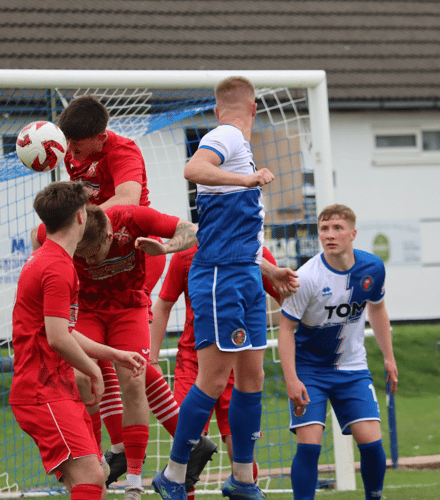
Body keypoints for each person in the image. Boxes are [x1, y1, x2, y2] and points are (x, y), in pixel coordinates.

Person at [151, 76, 299, 500]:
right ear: (253, 109)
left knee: (252, 378)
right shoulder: (228, 135)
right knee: (213, 380)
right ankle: (174, 475)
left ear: (220, 108)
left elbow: (230, 229)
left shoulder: (240, 150)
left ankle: (242, 479)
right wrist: (247, 182)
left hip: (245, 275)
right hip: (220, 278)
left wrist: (268, 272)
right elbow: (192, 168)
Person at [32, 201, 200, 499]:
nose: (91, 263)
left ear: (109, 236)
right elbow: (38, 235)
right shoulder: (72, 230)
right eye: (83, 257)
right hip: (88, 309)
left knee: (134, 378)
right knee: (83, 377)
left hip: (128, 305)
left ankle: (134, 480)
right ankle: (95, 463)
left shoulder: (132, 218)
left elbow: (192, 229)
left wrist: (166, 248)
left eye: (93, 255)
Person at [58, 94, 184, 486]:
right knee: (102, 366)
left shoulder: (123, 149)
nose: (71, 152)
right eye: (68, 145)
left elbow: (127, 199)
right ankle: (111, 453)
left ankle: (173, 447)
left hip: (135, 253)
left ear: (100, 137)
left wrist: (77, 222)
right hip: (95, 254)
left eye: (78, 145)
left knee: (129, 364)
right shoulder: (71, 155)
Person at [9, 181, 145, 500]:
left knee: (90, 478)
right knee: (91, 476)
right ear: (81, 217)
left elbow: (64, 331)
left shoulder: (51, 259)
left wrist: (113, 354)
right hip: (43, 390)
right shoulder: (56, 266)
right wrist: (94, 370)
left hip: (54, 386)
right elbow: (57, 338)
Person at [278, 204, 398, 500]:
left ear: (353, 233)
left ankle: (374, 496)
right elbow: (285, 329)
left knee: (372, 445)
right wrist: (292, 379)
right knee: (309, 447)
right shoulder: (306, 278)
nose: (329, 235)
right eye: (324, 229)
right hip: (309, 371)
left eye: (337, 228)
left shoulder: (372, 268)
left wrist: (389, 357)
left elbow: (378, 309)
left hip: (352, 368)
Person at [149, 245, 282, 499]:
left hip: (238, 367)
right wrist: (153, 359)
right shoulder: (185, 254)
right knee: (190, 445)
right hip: (193, 360)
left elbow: (285, 298)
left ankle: (244, 483)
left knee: (240, 450)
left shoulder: (257, 252)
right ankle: (175, 484)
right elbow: (164, 304)